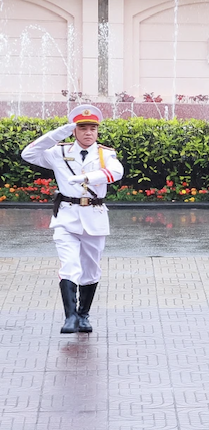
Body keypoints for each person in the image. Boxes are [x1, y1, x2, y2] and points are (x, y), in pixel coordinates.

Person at [22, 105, 124, 334]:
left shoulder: (105, 154)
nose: (88, 133)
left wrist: (87, 176)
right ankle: (70, 318)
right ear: (74, 131)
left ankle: (83, 314)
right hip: (66, 216)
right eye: (82, 128)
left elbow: (117, 172)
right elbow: (28, 154)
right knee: (69, 266)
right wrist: (60, 132)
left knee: (90, 269)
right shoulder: (59, 151)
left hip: (94, 216)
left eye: (93, 128)